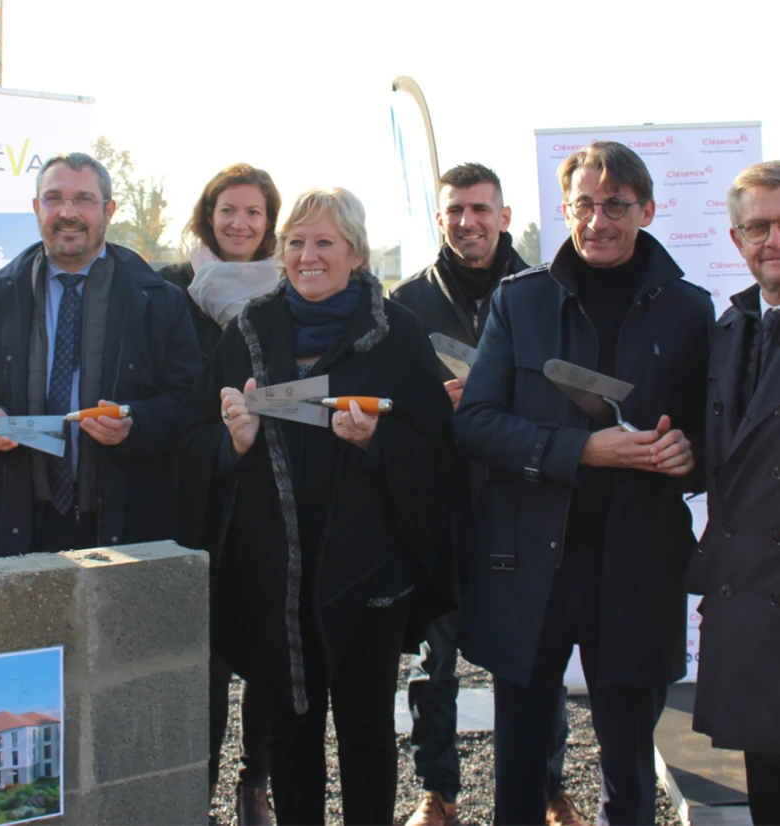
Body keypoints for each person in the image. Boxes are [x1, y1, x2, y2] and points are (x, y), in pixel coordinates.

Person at [178, 187, 457, 826]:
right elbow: (193, 441)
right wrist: (234, 443)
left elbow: (437, 447)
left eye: (324, 242)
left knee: (366, 732)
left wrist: (377, 444)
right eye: (297, 242)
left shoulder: (395, 333)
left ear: (355, 253)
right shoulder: (249, 330)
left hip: (368, 573)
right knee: (288, 729)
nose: (308, 256)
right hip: (270, 572)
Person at [456, 142, 714, 826]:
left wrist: (689, 453)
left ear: (647, 210)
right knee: (517, 767)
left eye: (616, 205)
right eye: (585, 205)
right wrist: (583, 450)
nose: (598, 221)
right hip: (531, 570)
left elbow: (713, 438)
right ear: (566, 209)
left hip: (637, 568)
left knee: (628, 770)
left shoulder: (691, 310)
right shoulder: (523, 303)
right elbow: (476, 424)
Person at [391, 163, 581, 826]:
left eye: (480, 209)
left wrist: (499, 403)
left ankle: (548, 787)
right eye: (455, 211)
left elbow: (570, 400)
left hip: (523, 506)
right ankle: (436, 790)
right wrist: (432, 407)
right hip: (442, 506)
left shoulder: (550, 293)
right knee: (433, 659)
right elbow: (389, 408)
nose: (467, 223)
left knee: (536, 656)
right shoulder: (407, 304)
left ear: (504, 215)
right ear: (440, 220)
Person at [0, 152, 201, 558]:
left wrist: (136, 422)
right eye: (54, 198)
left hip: (127, 523)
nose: (67, 212)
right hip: (19, 522)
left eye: (83, 200)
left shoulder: (159, 300)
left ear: (109, 210)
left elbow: (188, 401)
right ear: (36, 208)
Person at [159, 163, 282, 825]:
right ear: (208, 215)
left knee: (267, 647)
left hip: (268, 496)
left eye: (254, 214)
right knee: (201, 662)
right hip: (195, 492)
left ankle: (254, 783)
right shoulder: (172, 289)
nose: (240, 224)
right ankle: (196, 791)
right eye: (228, 211)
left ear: (270, 225)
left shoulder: (288, 293)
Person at [687, 160, 780, 826]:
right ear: (736, 240)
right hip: (749, 601)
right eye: (758, 227)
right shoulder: (727, 333)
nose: (772, 240)